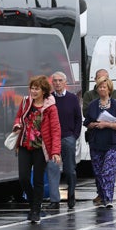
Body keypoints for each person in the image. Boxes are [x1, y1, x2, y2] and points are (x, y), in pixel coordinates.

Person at [12, 75, 61, 224]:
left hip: (41, 148)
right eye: (32, 88)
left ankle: (35, 211)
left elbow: (55, 130)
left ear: (43, 91)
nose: (33, 91)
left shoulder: (50, 108)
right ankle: (34, 204)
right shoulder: (26, 102)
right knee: (24, 178)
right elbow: (19, 117)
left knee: (38, 180)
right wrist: (17, 125)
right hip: (25, 145)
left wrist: (55, 152)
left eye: (36, 89)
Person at [83, 76, 116, 208]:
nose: (102, 89)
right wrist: (94, 124)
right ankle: (101, 195)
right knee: (98, 172)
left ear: (109, 89)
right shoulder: (93, 105)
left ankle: (108, 199)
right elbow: (87, 122)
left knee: (108, 171)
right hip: (96, 142)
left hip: (112, 142)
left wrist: (107, 124)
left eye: (104, 87)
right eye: (100, 87)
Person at [50, 71, 82, 209]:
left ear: (65, 82)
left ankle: (71, 194)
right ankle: (54, 200)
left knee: (69, 169)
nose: (57, 83)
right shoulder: (49, 99)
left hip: (68, 137)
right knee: (52, 169)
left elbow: (78, 118)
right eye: (55, 80)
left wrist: (74, 136)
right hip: (52, 139)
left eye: (60, 80)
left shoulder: (72, 98)